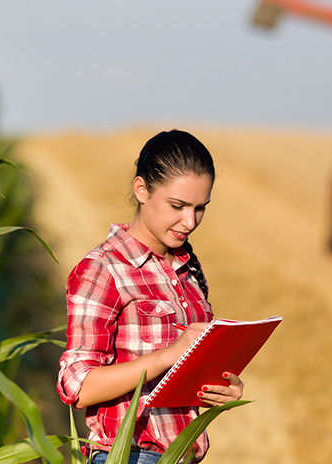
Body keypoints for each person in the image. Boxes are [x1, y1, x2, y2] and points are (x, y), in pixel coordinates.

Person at [57, 129, 244, 464]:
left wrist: (220, 387)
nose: (190, 221)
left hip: (183, 455)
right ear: (141, 189)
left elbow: (183, 375)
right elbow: (78, 386)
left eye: (200, 208)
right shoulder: (103, 269)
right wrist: (167, 355)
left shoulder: (188, 269)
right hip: (128, 456)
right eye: (178, 205)